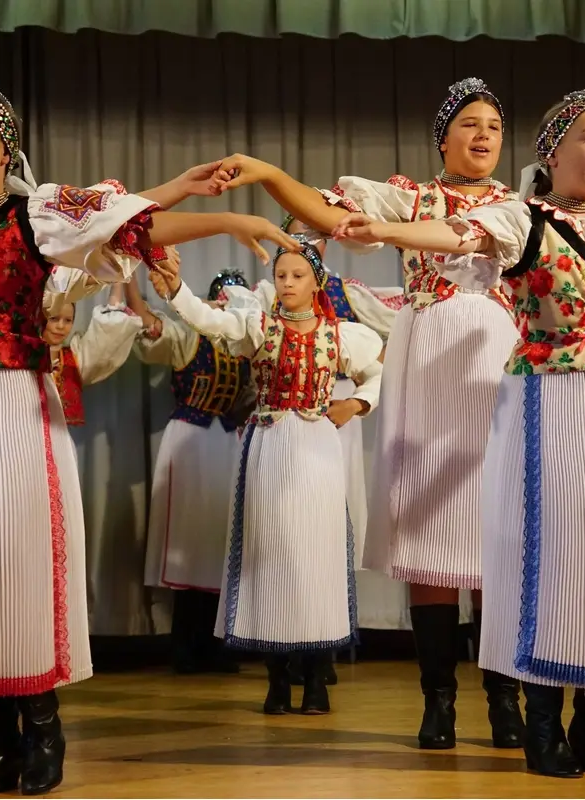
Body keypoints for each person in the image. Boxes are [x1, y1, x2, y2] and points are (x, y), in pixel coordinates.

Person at [0, 75, 297, 798]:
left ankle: (41, 730)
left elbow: (128, 227)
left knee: (14, 562)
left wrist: (222, 216)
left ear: (4, 146)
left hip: (11, 406)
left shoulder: (35, 215)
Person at [330, 87, 585, 778]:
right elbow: (453, 236)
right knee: (539, 548)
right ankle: (513, 713)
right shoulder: (519, 217)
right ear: (552, 151)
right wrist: (386, 232)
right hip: (526, 388)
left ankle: (584, 720)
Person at [211, 78, 525, 750]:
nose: (483, 136)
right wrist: (269, 174)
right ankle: (438, 701)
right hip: (429, 353)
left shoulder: (517, 207)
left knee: (496, 532)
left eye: (495, 127)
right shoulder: (409, 195)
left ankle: (505, 702)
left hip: (493, 356)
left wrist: (386, 231)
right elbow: (329, 215)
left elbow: (468, 238)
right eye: (469, 124)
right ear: (443, 137)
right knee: (433, 534)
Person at [148, 234, 383, 716]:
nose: (288, 283)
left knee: (317, 556)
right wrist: (175, 290)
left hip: (317, 447)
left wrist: (355, 404)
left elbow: (380, 373)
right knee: (271, 552)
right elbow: (208, 319)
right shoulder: (259, 326)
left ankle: (315, 678)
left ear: (316, 282)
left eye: (298, 275)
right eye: (281, 275)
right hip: (270, 444)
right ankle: (277, 679)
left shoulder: (340, 335)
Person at [253, 217, 403, 686]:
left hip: (330, 412)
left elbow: (387, 343)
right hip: (280, 417)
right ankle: (285, 655)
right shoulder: (268, 293)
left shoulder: (345, 292)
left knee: (326, 531)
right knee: (280, 535)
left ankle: (322, 649)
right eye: (297, 234)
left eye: (314, 234)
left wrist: (356, 402)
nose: (306, 242)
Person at [130, 248, 255, 674]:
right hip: (190, 437)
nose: (224, 307)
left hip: (225, 441)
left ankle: (218, 644)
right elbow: (150, 328)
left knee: (220, 539)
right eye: (219, 299)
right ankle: (185, 645)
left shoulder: (246, 347)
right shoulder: (188, 337)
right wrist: (129, 285)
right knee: (187, 536)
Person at [44, 280, 145, 426]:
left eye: (68, 320)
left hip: (59, 434)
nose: (61, 326)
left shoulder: (74, 359)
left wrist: (117, 281)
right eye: (53, 318)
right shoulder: (22, 356)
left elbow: (108, 332)